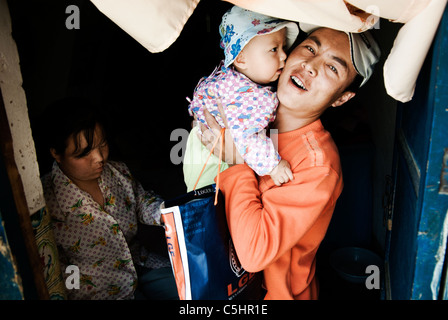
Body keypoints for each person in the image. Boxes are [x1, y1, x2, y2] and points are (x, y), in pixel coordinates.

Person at [199, 26, 381, 300]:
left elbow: (253, 254)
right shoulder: (252, 109)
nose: (310, 65)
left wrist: (236, 163)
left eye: (333, 68)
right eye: (310, 48)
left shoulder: (318, 165)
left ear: (342, 98)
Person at [39, 98, 178, 300]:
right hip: (99, 290)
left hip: (141, 262)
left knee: (191, 292)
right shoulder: (46, 203)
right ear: (56, 154)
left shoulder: (117, 172)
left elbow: (140, 201)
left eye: (102, 144)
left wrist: (165, 212)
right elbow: (58, 272)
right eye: (84, 153)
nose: (99, 158)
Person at [183, 6, 299, 191]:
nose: (284, 55)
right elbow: (246, 137)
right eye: (273, 49)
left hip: (200, 149)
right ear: (241, 59)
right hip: (214, 161)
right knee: (212, 207)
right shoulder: (252, 96)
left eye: (283, 47)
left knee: (201, 200)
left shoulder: (226, 79)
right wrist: (274, 166)